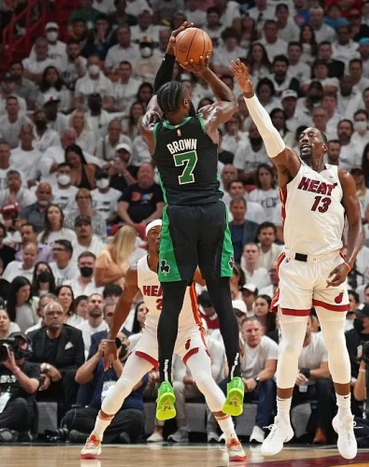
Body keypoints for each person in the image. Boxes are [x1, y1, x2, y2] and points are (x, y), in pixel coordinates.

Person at [231, 59, 363, 459]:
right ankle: (282, 420)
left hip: (331, 263)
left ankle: (345, 417)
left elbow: (357, 223)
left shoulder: (341, 177)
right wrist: (249, 95)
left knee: (337, 342)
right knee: (289, 345)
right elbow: (270, 133)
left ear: (326, 145)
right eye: (301, 135)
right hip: (295, 267)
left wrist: (349, 261)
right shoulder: (290, 168)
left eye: (312, 135)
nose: (305, 138)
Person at [139, 23, 243, 419]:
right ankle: (235, 379)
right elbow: (230, 99)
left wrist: (170, 55)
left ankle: (165, 383)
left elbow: (156, 96)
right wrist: (204, 71)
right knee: (222, 298)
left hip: (178, 217)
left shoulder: (152, 131)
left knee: (172, 303)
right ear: (186, 103)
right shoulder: (206, 121)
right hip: (212, 214)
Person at [80, 220, 246, 462]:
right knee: (124, 384)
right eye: (154, 233)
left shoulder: (185, 264)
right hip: (154, 331)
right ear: (147, 239)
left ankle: (232, 439)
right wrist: (112, 339)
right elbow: (124, 304)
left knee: (203, 380)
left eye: (163, 233)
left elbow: (216, 289)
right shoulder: (137, 270)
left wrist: (233, 335)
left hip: (188, 330)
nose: (159, 237)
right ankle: (95, 437)